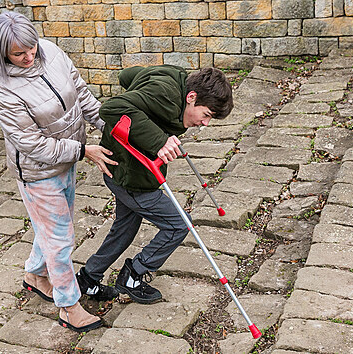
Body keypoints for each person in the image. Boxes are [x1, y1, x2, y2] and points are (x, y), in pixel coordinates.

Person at [0, 11, 118, 333]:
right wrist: (83, 151)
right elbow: (32, 144)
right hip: (38, 171)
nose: (29, 57)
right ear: (3, 52)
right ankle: (69, 306)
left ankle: (35, 274)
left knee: (52, 229)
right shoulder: (2, 89)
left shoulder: (50, 51)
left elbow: (81, 95)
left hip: (66, 160)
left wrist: (109, 126)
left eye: (31, 49)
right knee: (60, 239)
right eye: (19, 53)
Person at [75, 65, 234, 304]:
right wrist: (159, 139)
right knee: (179, 224)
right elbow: (111, 108)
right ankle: (134, 274)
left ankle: (88, 278)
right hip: (131, 177)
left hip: (124, 171)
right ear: (191, 98)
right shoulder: (165, 95)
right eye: (206, 114)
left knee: (125, 227)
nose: (205, 124)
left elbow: (127, 76)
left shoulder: (176, 78)